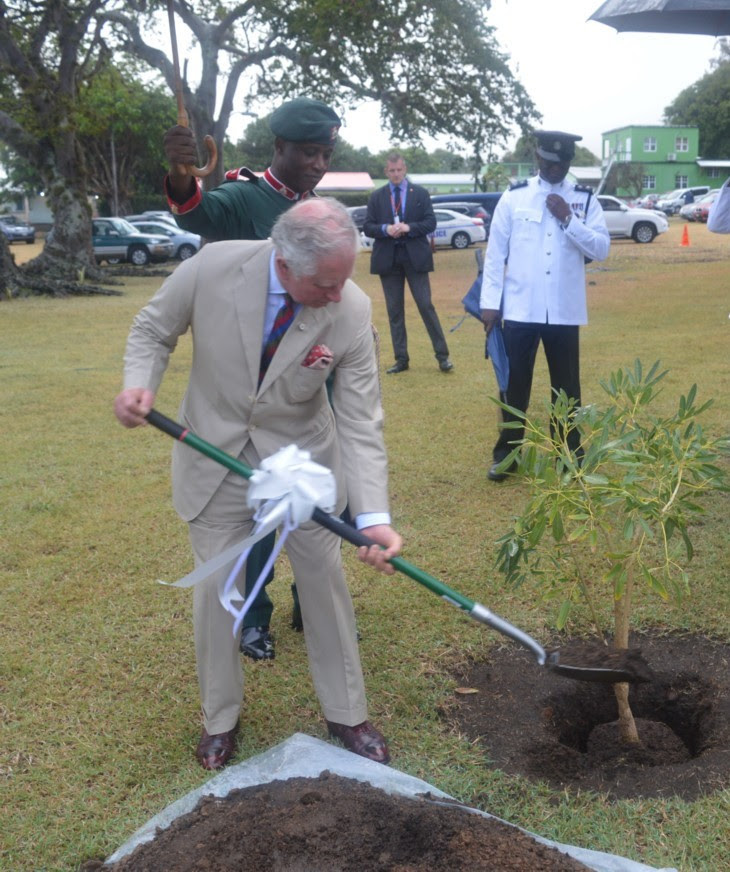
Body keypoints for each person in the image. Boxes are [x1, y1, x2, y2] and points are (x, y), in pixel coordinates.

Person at [114, 198, 401, 770]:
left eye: (344, 279)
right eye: (325, 282)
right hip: (213, 454)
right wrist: (138, 384)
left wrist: (372, 517)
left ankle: (347, 713)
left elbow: (361, 420)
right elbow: (153, 328)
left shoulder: (349, 309)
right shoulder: (211, 267)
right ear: (285, 262)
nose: (338, 294)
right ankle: (220, 719)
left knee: (323, 585)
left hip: (303, 471)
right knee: (217, 594)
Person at [163, 96, 342, 660]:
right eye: (308, 152)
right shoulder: (245, 196)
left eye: (325, 153)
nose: (317, 163)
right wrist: (178, 170)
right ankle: (253, 615)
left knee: (315, 501)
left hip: (317, 377)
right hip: (258, 384)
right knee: (262, 503)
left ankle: (308, 605)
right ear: (279, 148)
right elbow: (195, 212)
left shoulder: (322, 209)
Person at [479, 130, 610, 482]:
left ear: (569, 163)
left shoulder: (584, 200)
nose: (555, 170)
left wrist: (570, 219)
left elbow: (600, 248)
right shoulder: (514, 197)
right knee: (513, 387)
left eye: (562, 164)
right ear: (537, 158)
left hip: (565, 312)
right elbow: (495, 254)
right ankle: (507, 456)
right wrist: (489, 304)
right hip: (521, 310)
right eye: (549, 163)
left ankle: (568, 456)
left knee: (567, 389)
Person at [364, 153, 453, 374]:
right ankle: (401, 360)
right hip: (388, 259)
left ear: (405, 170)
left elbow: (430, 222)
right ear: (386, 172)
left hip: (415, 258)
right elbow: (368, 226)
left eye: (399, 170)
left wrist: (408, 227)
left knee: (425, 306)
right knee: (395, 311)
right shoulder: (377, 197)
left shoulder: (420, 193)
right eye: (391, 171)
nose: (395, 174)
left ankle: (443, 356)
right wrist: (386, 229)